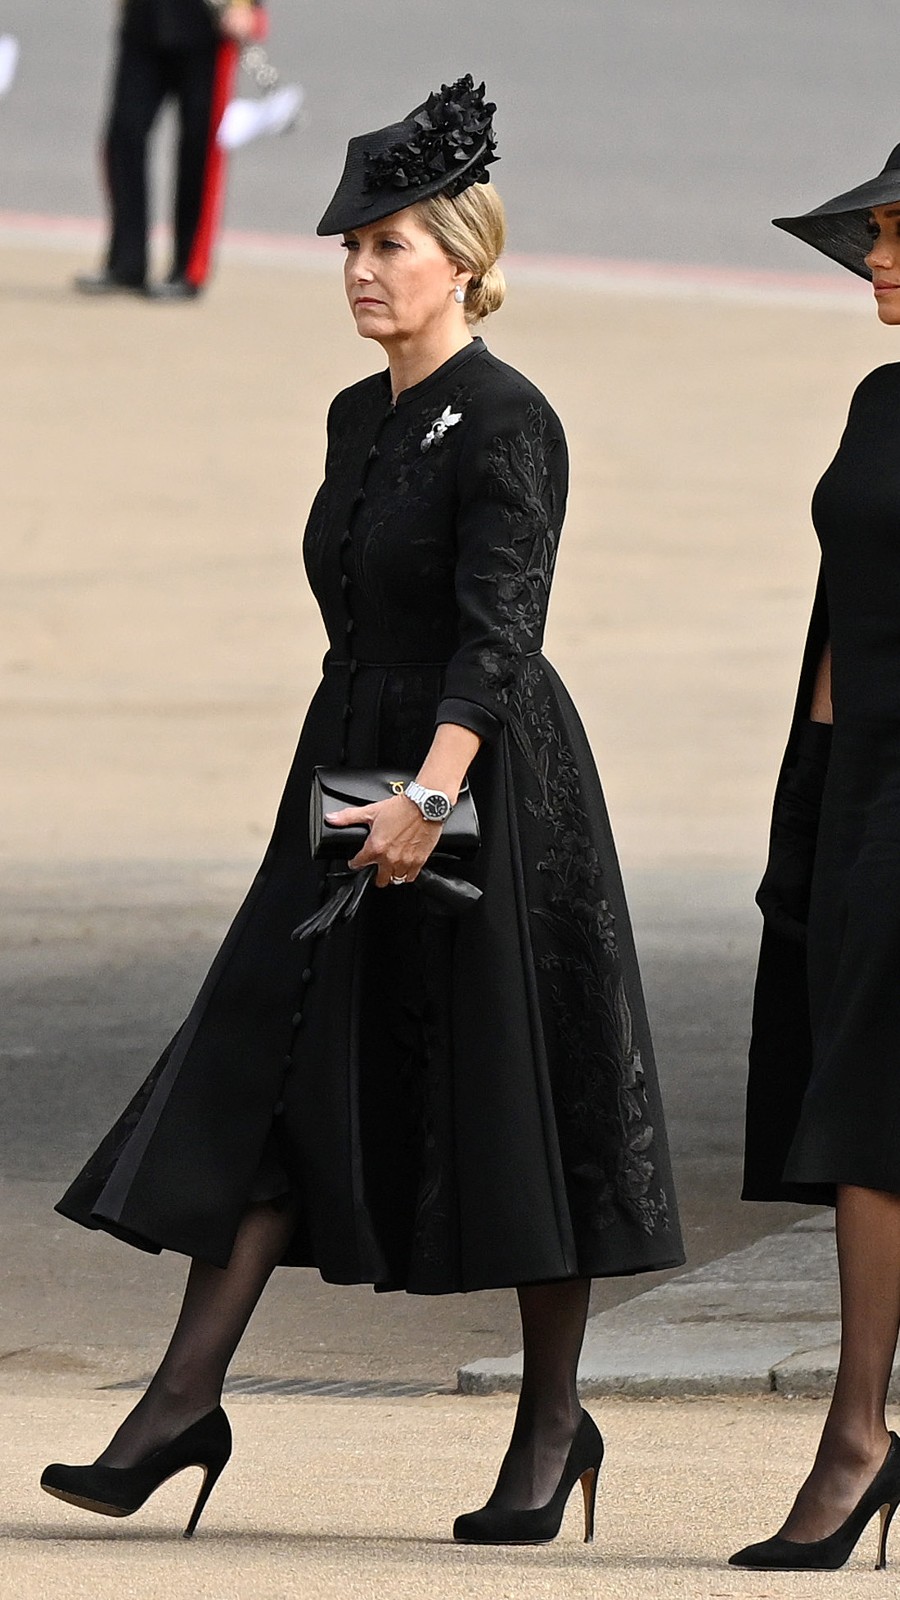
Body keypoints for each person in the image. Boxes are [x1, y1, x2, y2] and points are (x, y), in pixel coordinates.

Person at [41, 74, 683, 1544]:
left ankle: (551, 1422)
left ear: (463, 259)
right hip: (350, 764)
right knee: (277, 1058)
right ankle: (181, 1401)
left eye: (390, 244)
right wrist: (363, 786)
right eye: (350, 246)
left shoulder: (511, 418)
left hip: (481, 776)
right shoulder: (358, 415)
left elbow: (501, 632)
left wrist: (431, 794)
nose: (360, 269)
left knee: (516, 1087)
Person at [733, 143, 900, 1572]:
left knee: (871, 1110)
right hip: (856, 790)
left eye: (899, 234)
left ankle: (857, 1437)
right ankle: (862, 1434)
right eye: (875, 233)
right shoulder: (879, 399)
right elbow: (841, 609)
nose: (876, 258)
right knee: (856, 1091)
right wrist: (817, 803)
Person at [76, 0, 266, 300]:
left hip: (207, 23)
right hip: (145, 18)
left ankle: (188, 269)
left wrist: (247, 6)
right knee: (123, 137)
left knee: (199, 152)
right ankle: (127, 262)